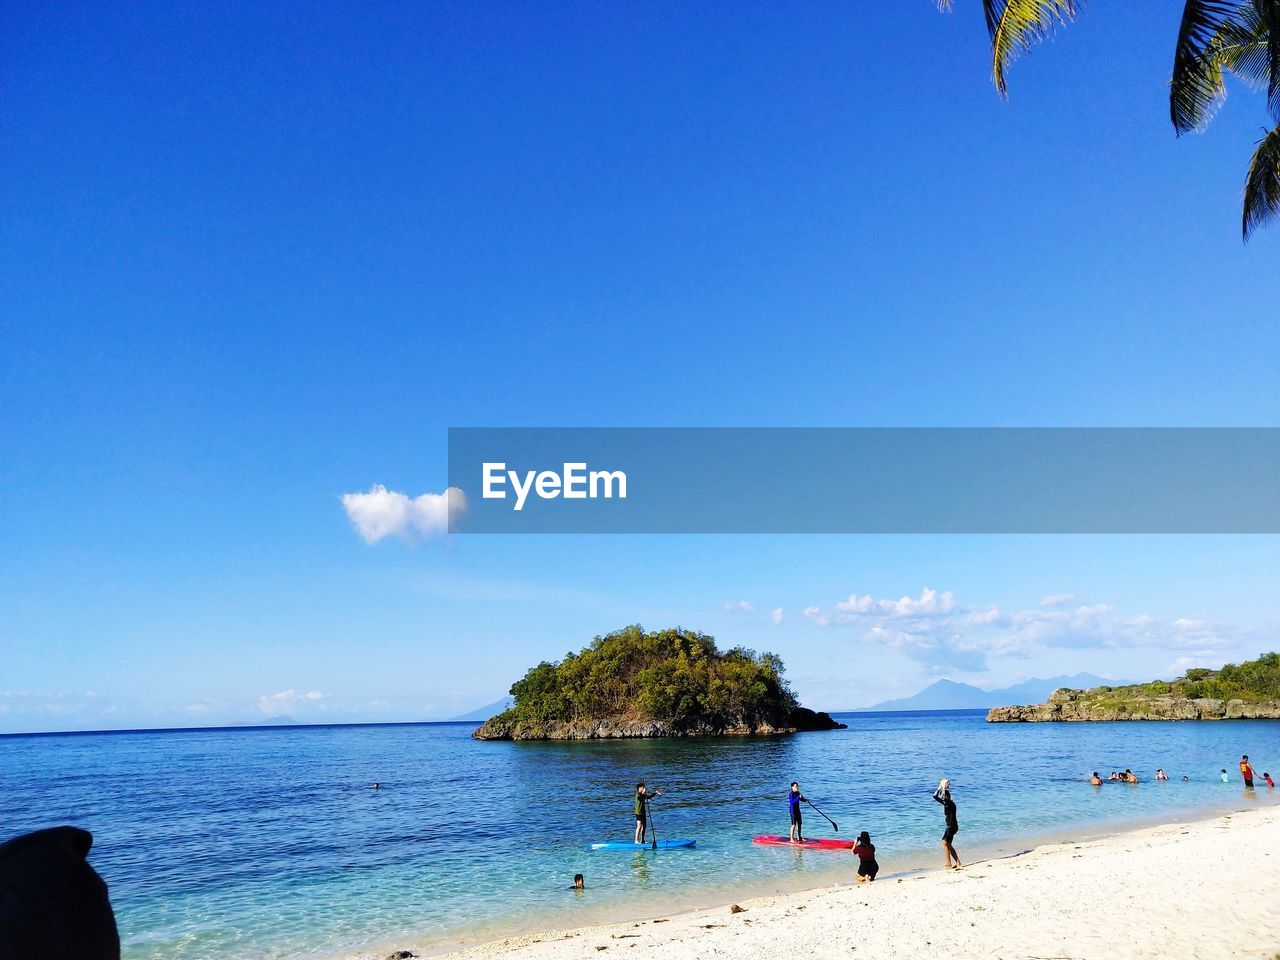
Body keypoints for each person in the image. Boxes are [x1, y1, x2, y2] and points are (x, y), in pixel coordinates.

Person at [933, 779, 961, 870]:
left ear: (948, 797)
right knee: (948, 844)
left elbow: (944, 798)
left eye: (944, 797)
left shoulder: (951, 803)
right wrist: (940, 787)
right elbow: (934, 796)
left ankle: (950, 864)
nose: (942, 799)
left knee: (944, 842)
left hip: (951, 827)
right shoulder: (945, 803)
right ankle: (956, 863)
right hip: (951, 827)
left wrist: (944, 787)